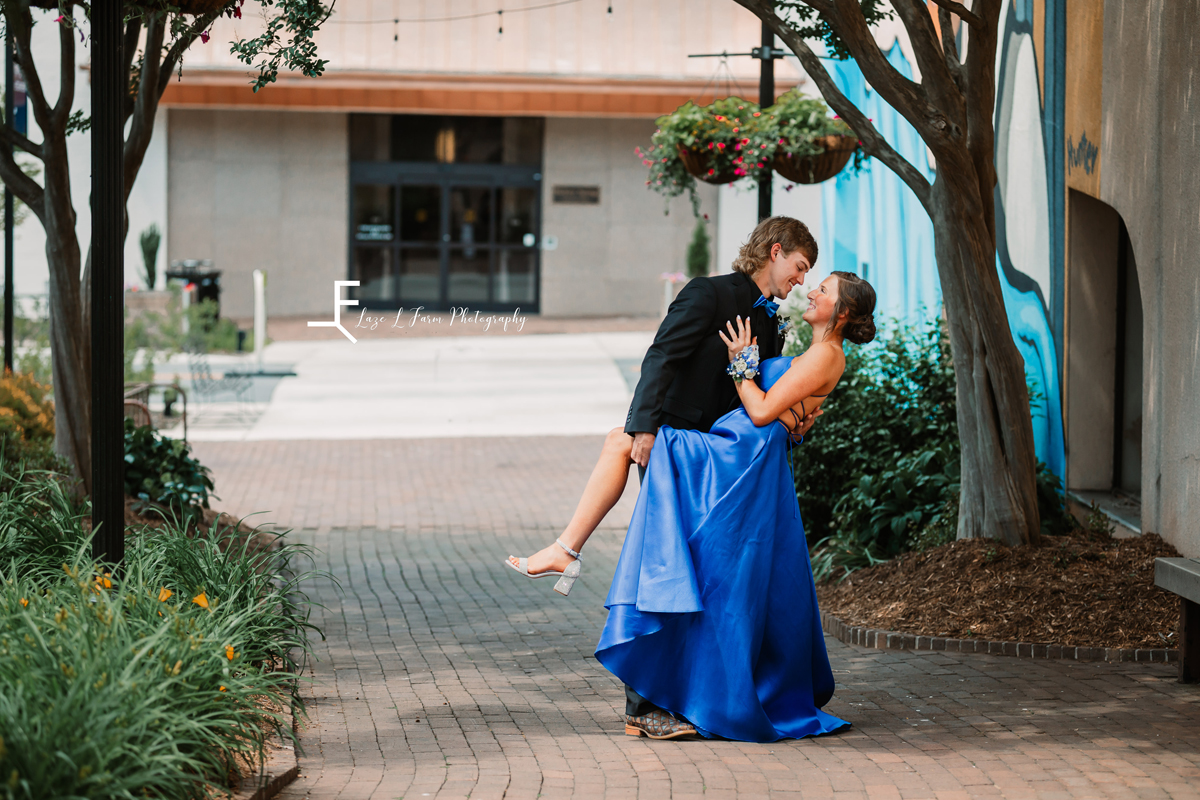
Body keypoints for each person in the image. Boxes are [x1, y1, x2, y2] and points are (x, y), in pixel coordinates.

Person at [506, 216, 822, 737]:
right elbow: (662, 356)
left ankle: (689, 696)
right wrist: (644, 429)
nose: (801, 280)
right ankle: (642, 708)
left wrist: (794, 423)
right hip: (675, 450)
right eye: (800, 266)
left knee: (698, 582)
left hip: (721, 465)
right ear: (775, 250)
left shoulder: (772, 323)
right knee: (662, 572)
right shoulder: (709, 294)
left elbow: (758, 401)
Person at [598, 270, 877, 742]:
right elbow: (780, 411)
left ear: (843, 312)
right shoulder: (812, 352)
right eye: (810, 278)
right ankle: (670, 696)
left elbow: (762, 411)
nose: (810, 290)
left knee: (689, 553)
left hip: (739, 465)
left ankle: (570, 550)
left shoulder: (826, 354)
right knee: (705, 571)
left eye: (823, 289)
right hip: (737, 458)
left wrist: (743, 362)